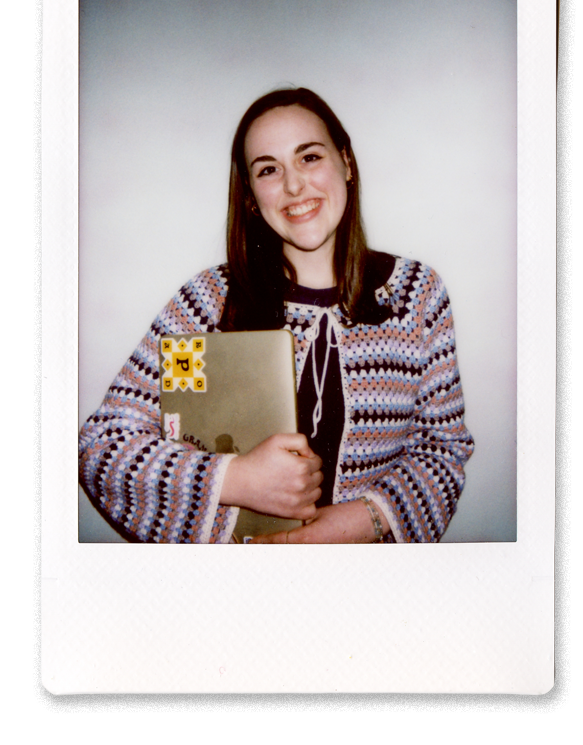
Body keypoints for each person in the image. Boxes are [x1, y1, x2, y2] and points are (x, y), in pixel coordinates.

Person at [79, 87, 474, 544]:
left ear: (345, 162)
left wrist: (357, 523)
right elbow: (103, 448)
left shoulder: (416, 295)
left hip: (370, 587)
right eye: (269, 169)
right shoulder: (209, 302)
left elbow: (442, 450)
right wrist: (236, 479)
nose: (293, 186)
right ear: (250, 195)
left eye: (309, 157)